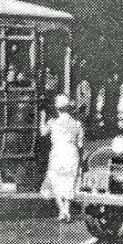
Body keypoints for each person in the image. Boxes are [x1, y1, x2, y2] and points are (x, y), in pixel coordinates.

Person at [39, 94, 84, 222]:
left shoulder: (53, 123)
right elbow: (80, 144)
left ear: (57, 109)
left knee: (56, 182)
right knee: (69, 182)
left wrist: (42, 116)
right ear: (69, 108)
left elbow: (42, 132)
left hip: (58, 153)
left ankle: (62, 211)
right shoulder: (77, 124)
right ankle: (67, 210)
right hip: (72, 154)